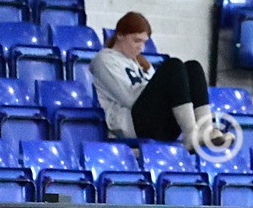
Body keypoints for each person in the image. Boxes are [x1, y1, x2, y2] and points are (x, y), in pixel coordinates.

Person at [90, 11, 233, 153]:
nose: (140, 47)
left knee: (193, 67)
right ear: (120, 35)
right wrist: (161, 89)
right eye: (136, 40)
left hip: (158, 124)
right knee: (173, 66)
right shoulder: (104, 59)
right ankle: (191, 134)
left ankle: (205, 130)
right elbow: (130, 99)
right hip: (132, 125)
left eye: (144, 42)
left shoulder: (140, 63)